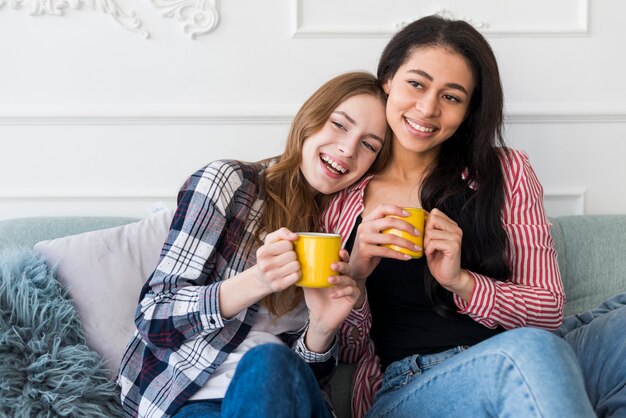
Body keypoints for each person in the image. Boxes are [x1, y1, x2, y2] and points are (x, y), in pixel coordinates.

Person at [321, 15, 599, 418]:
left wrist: (461, 282)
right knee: (530, 351)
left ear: (468, 110)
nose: (427, 108)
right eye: (416, 83)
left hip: (532, 360)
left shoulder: (506, 172)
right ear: (387, 80)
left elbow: (549, 309)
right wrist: (359, 274)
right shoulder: (341, 199)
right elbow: (343, 346)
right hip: (414, 384)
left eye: (451, 97)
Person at [117, 71, 391, 418]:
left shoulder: (344, 231)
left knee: (270, 362)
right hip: (195, 400)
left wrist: (322, 328)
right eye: (339, 124)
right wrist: (257, 281)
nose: (348, 149)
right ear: (311, 119)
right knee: (266, 361)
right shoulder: (230, 184)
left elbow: (314, 375)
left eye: (369, 144)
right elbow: (154, 316)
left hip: (289, 402)